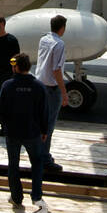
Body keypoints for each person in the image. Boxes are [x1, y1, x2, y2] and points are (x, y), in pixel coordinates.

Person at [0, 53, 49, 212]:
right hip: (33, 133)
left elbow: (0, 109)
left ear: (16, 67)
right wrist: (44, 130)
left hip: (13, 133)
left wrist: (6, 126)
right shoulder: (39, 86)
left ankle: (16, 197)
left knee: (13, 165)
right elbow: (44, 111)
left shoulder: (7, 85)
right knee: (37, 163)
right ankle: (37, 196)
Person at [35, 14, 67, 174]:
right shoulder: (59, 44)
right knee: (49, 125)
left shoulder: (44, 40)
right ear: (62, 28)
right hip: (51, 88)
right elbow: (56, 70)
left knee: (40, 123)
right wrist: (64, 92)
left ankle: (40, 153)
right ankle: (44, 158)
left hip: (39, 84)